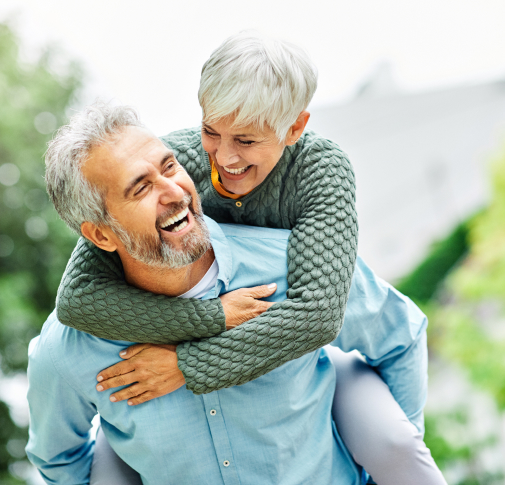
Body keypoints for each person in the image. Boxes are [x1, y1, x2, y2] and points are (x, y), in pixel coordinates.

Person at [52, 32, 445, 484]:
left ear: (294, 129)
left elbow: (317, 316)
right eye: (210, 131)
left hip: (311, 357)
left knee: (397, 447)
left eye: (245, 139)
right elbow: (78, 298)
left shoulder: (321, 171)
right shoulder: (177, 164)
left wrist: (186, 365)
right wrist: (212, 318)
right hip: (203, 374)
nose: (222, 156)